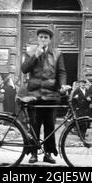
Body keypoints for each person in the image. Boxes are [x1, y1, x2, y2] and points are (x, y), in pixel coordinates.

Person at [21, 28, 67, 165]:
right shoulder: (30, 52)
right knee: (34, 125)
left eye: (45, 37)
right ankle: (33, 153)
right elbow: (24, 69)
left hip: (51, 95)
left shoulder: (57, 54)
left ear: (50, 40)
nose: (43, 39)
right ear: (37, 39)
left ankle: (48, 153)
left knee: (49, 125)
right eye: (41, 37)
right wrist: (36, 55)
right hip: (34, 94)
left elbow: (61, 72)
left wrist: (63, 85)